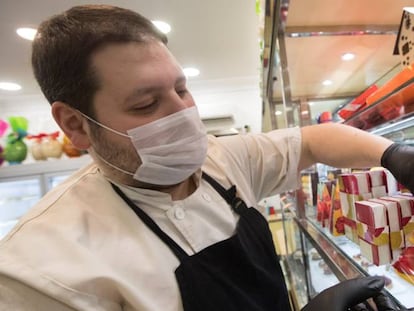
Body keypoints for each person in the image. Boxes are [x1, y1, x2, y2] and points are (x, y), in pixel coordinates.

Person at [0, 5, 411, 311]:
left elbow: (313, 141)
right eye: (145, 104)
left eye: (181, 89)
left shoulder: (221, 160)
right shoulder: (38, 272)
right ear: (74, 123)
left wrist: (393, 155)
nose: (181, 114)